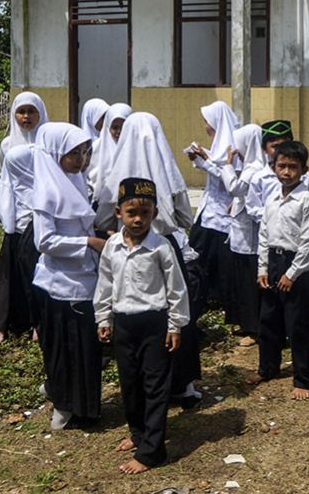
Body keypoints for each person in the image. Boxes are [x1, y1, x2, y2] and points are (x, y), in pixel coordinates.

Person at [97, 112, 203, 407]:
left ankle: (143, 388)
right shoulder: (167, 170)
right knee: (174, 312)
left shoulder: (116, 176)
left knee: (137, 312)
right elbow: (185, 216)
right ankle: (182, 384)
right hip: (164, 245)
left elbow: (104, 214)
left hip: (128, 248)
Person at [95, 177, 190, 475]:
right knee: (130, 382)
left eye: (144, 213)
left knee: (155, 384)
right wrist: (103, 317)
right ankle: (138, 434)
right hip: (124, 323)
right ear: (118, 212)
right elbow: (105, 283)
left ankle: (152, 452)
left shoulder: (161, 247)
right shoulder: (112, 245)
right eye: (131, 212)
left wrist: (175, 325)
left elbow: (176, 289)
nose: (137, 219)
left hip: (154, 323)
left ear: (155, 214)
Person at [31, 122, 101, 431]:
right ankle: (63, 403)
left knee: (85, 348)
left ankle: (85, 405)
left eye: (84, 153)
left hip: (85, 280)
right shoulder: (47, 191)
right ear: (56, 154)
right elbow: (44, 242)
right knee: (64, 349)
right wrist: (87, 242)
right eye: (74, 154)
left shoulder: (76, 182)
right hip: (60, 283)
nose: (81, 160)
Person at [251, 140, 309, 400]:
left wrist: (292, 274)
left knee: (297, 323)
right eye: (282, 166)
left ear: (304, 169)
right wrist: (262, 268)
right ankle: (267, 368)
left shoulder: (307, 199)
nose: (287, 172)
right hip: (273, 261)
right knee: (268, 320)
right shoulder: (271, 199)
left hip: (296, 266)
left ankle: (301, 379)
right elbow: (264, 235)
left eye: (293, 167)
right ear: (273, 167)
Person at [185, 101, 238, 314]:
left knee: (221, 265)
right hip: (208, 213)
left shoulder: (232, 148)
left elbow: (228, 181)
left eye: (207, 122)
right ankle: (202, 298)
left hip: (223, 217)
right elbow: (215, 165)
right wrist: (199, 158)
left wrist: (206, 161)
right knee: (198, 257)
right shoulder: (218, 145)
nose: (206, 127)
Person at [0, 143, 35, 343]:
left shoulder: (44, 183)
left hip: (35, 233)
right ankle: (3, 324)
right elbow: (4, 208)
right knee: (9, 280)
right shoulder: (9, 182)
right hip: (15, 233)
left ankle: (37, 323)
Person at [224, 124, 265, 341]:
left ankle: (254, 328)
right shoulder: (250, 166)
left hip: (250, 238)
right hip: (241, 234)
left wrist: (228, 165)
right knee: (241, 281)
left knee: (250, 284)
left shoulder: (255, 169)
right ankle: (246, 323)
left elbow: (235, 188)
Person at [88, 102, 132, 209]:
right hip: (102, 204)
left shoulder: (135, 148)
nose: (119, 132)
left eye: (123, 127)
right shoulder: (97, 148)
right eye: (115, 127)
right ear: (107, 127)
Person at [0, 91, 48, 167]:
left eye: (31, 111)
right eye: (21, 112)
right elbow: (4, 173)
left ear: (40, 113)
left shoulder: (49, 143)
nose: (26, 116)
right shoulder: (7, 144)